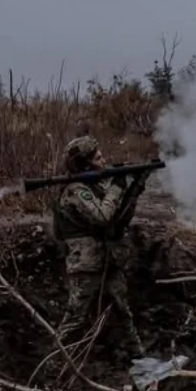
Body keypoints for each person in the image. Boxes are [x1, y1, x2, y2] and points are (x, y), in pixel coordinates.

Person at [51, 135, 150, 358]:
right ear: (85, 164)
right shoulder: (76, 190)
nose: (103, 160)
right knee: (75, 318)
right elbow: (103, 216)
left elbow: (117, 219)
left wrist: (133, 187)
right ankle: (54, 365)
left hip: (107, 259)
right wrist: (116, 186)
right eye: (98, 157)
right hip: (86, 264)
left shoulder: (92, 187)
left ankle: (139, 358)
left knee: (123, 312)